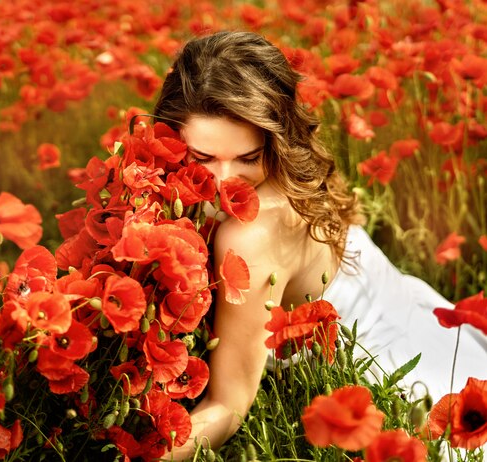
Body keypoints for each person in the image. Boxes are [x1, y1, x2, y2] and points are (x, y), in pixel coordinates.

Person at [152, 31, 487, 459]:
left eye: (247, 158)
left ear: (275, 138)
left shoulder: (248, 234)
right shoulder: (299, 164)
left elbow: (229, 405)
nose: (223, 180)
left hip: (413, 393)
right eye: (201, 158)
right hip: (426, 328)